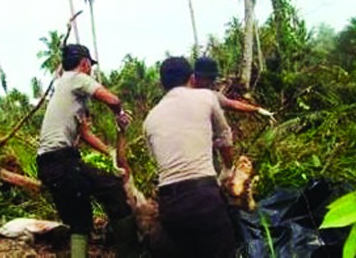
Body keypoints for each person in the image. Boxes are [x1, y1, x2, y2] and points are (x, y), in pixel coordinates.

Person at [36, 44, 138, 258]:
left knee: (80, 220)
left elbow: (84, 135)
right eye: (89, 66)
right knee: (114, 191)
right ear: (84, 63)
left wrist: (110, 152)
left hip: (51, 163)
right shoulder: (77, 78)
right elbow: (113, 100)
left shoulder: (62, 84)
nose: (90, 70)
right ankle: (130, 253)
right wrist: (119, 114)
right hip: (62, 161)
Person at [143, 57, 236, 258]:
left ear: (162, 84)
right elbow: (224, 138)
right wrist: (228, 168)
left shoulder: (150, 118)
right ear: (192, 78)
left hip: (169, 204)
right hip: (204, 197)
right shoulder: (207, 97)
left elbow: (156, 159)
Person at [193, 56, 275, 120]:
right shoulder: (183, 94)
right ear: (197, 77)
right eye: (209, 79)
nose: (211, 83)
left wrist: (257, 110)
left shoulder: (211, 95)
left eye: (212, 79)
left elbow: (232, 104)